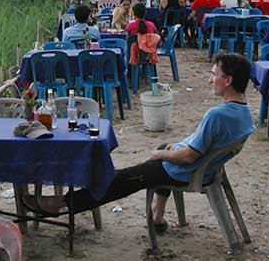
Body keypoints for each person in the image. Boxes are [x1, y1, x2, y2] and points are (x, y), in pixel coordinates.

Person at [24, 53, 256, 231]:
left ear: (227, 80)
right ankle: (157, 217)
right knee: (163, 148)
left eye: (214, 74)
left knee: (122, 179)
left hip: (186, 170)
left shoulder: (217, 115)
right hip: (205, 166)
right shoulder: (244, 113)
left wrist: (161, 155)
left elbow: (189, 156)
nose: (210, 79)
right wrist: (169, 149)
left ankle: (62, 204)